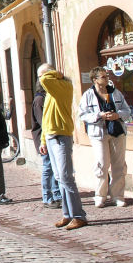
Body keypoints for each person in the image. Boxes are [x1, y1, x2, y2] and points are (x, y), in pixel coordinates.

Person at [38, 63, 87, 230]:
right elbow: (46, 118)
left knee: (66, 177)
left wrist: (53, 74)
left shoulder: (63, 86)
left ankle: (79, 216)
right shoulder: (50, 92)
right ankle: (67, 214)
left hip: (61, 136)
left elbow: (45, 79)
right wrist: (43, 140)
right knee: (59, 178)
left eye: (41, 75)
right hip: (51, 137)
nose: (40, 80)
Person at [78, 66, 131, 208]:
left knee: (119, 165)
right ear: (95, 79)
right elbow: (82, 114)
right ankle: (100, 196)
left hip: (117, 132)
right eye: (103, 76)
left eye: (107, 76)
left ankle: (118, 196)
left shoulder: (115, 93)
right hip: (99, 133)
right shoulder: (88, 95)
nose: (107, 78)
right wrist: (99, 115)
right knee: (102, 164)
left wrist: (117, 115)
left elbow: (127, 111)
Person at [31, 84, 61, 208]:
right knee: (48, 166)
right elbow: (43, 122)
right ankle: (47, 197)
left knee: (53, 166)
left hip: (50, 137)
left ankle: (57, 194)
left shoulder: (46, 98)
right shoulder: (39, 100)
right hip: (43, 138)